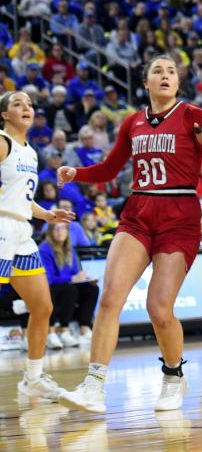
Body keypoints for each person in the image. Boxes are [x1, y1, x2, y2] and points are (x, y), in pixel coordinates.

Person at [57, 55, 202, 414]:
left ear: (178, 83)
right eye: (157, 72)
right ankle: (94, 384)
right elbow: (109, 167)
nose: (165, 76)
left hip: (179, 216)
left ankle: (173, 376)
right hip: (137, 214)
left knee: (158, 309)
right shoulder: (132, 121)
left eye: (171, 72)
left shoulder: (194, 115)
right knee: (109, 299)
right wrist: (77, 173)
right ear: (145, 82)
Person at [0, 91, 75, 400]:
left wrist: (46, 214)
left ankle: (33, 377)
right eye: (17, 104)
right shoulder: (2, 141)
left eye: (29, 104)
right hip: (2, 225)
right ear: (4, 114)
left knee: (43, 306)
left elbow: (22, 196)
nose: (26, 108)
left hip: (21, 229)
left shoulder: (31, 152)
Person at [38, 221, 100, 347]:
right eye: (56, 228)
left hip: (66, 285)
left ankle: (84, 328)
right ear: (50, 232)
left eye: (63, 228)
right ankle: (62, 331)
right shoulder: (44, 249)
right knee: (69, 289)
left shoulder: (70, 248)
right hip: (49, 288)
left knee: (91, 289)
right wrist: (71, 278)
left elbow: (75, 273)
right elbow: (48, 279)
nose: (60, 231)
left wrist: (85, 278)